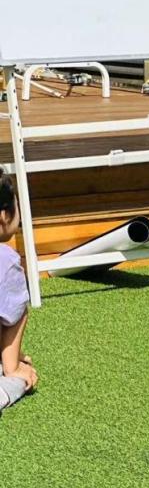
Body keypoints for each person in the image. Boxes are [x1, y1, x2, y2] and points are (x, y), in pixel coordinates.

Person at [0, 173, 37, 412]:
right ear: (4, 216)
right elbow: (13, 317)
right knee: (20, 378)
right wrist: (12, 367)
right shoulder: (6, 261)